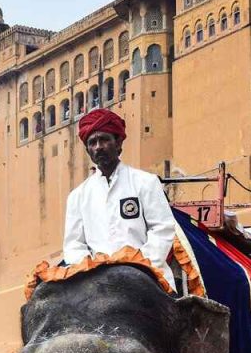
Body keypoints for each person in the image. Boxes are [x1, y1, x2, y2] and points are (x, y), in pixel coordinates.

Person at [63, 108, 178, 288]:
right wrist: (92, 269)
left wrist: (138, 264)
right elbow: (73, 244)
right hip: (96, 281)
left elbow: (162, 229)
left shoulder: (145, 182)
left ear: (118, 143)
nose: (98, 146)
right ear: (88, 150)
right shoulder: (77, 196)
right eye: (92, 142)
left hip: (147, 275)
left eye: (104, 139)